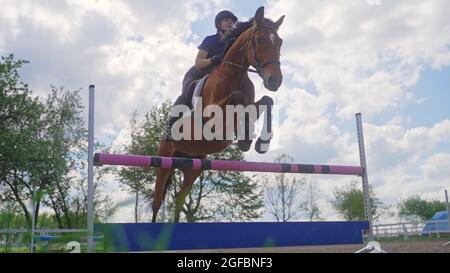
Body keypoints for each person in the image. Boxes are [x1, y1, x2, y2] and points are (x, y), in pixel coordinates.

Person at [165, 10, 238, 141]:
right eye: (226, 20)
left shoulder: (234, 43)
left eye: (232, 21)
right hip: (199, 72)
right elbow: (198, 62)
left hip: (221, 76)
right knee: (187, 92)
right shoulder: (210, 40)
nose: (230, 22)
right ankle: (171, 126)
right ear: (219, 24)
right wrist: (212, 60)